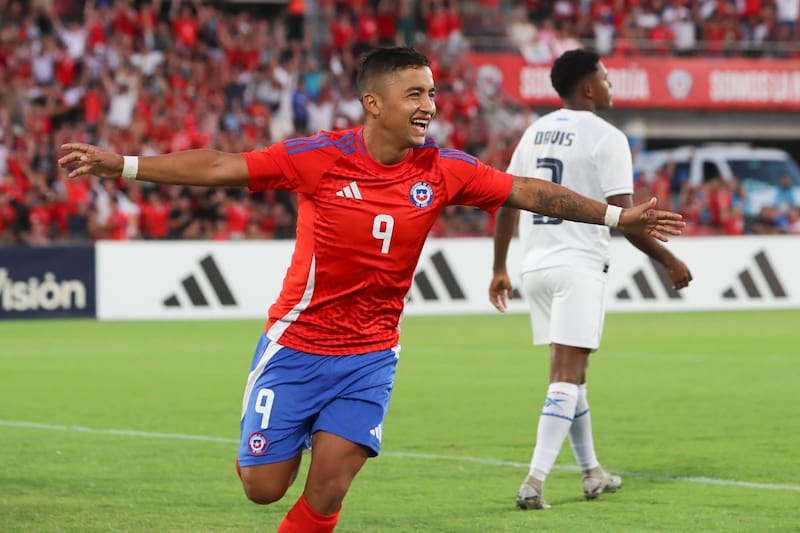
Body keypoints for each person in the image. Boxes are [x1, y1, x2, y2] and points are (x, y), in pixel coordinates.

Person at [59, 47, 684, 533]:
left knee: (330, 486)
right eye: (415, 94)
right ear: (373, 103)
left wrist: (613, 216)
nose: (429, 106)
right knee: (263, 487)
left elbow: (526, 191)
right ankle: (270, 437)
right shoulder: (319, 157)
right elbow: (224, 165)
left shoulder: (441, 170)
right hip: (297, 347)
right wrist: (126, 166)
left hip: (369, 356)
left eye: (433, 94)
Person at [489, 49, 693, 511]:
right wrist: (669, 261)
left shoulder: (535, 130)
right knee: (565, 377)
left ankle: (592, 472)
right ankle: (534, 481)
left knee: (573, 376)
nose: (610, 82)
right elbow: (628, 219)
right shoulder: (608, 137)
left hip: (533, 266)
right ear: (587, 88)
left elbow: (506, 199)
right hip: (577, 265)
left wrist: (500, 266)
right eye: (604, 75)